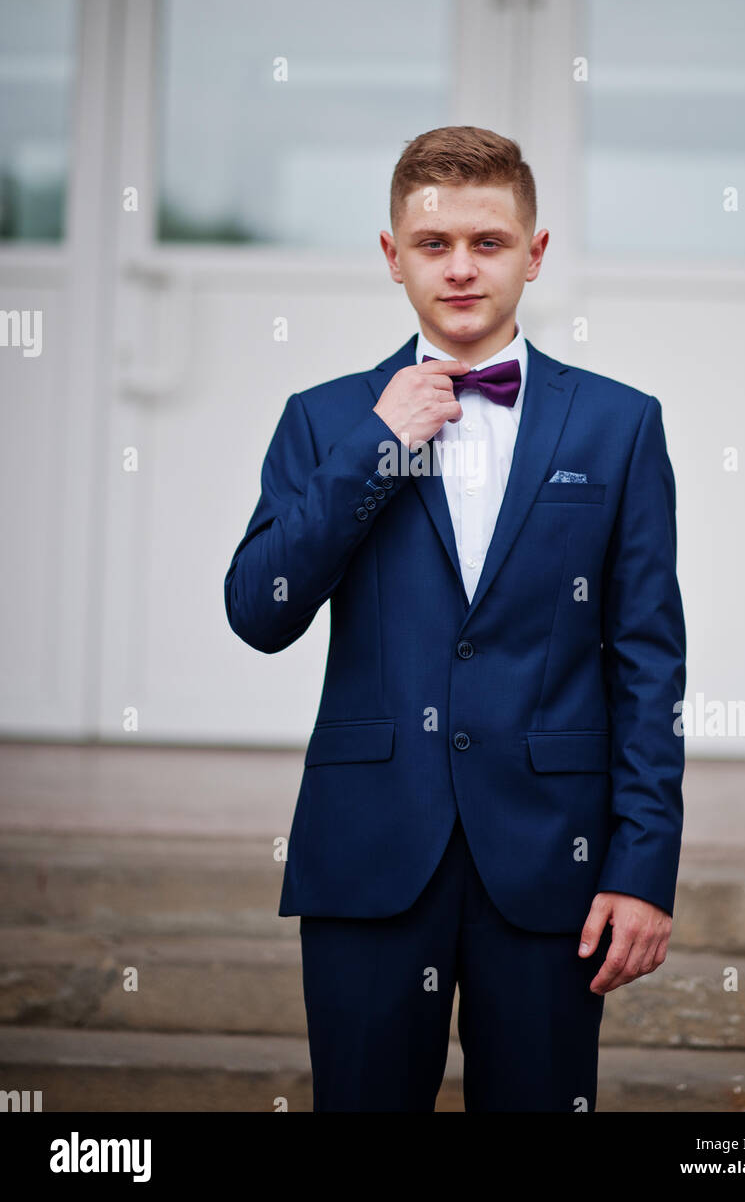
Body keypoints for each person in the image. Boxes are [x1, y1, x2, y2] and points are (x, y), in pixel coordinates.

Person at [224, 125, 686, 1113]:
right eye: (434, 244)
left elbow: (648, 659)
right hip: (369, 849)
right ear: (392, 257)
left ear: (536, 252)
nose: (463, 267)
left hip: (550, 859)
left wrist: (642, 864)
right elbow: (259, 610)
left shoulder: (619, 422)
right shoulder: (324, 417)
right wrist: (377, 446)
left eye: (489, 241)